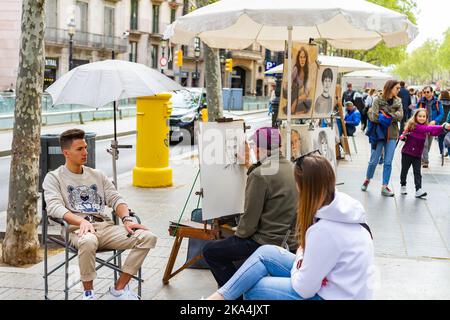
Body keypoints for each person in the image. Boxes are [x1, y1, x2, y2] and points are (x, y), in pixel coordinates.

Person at [206, 154, 374, 300]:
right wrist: (301, 260)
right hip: (347, 288)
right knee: (266, 252)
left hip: (334, 295)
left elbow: (305, 289)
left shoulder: (324, 231)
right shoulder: (342, 206)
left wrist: (298, 265)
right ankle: (220, 297)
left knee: (253, 289)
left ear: (303, 187)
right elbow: (308, 254)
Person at [42, 129, 157, 300]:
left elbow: (116, 198)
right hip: (76, 230)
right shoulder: (54, 177)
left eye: (86, 148)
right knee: (88, 241)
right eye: (79, 149)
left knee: (148, 236)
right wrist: (80, 222)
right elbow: (53, 207)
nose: (85, 152)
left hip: (105, 227)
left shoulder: (98, 175)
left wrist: (126, 219)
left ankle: (118, 290)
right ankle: (89, 294)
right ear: (66, 153)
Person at [202, 127, 298, 290]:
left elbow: (249, 225)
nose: (253, 149)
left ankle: (235, 294)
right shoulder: (293, 167)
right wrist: (249, 164)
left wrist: (237, 233)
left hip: (267, 241)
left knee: (211, 251)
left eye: (254, 146)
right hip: (292, 239)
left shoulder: (259, 175)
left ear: (259, 148)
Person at [362, 80, 403, 197]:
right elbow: (373, 117)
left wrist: (384, 115)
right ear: (390, 88)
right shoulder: (377, 100)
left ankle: (385, 186)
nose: (398, 90)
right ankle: (367, 179)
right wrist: (390, 115)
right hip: (379, 134)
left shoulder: (398, 101)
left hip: (393, 134)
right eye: (397, 88)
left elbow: (401, 116)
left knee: (388, 161)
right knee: (374, 160)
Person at [399, 109, 450, 198]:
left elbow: (433, 132)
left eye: (424, 116)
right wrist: (443, 126)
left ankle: (418, 190)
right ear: (415, 117)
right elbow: (428, 128)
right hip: (407, 153)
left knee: (417, 172)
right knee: (404, 170)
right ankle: (403, 185)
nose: (422, 118)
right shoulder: (414, 126)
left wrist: (444, 129)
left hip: (418, 155)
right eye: (420, 116)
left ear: (426, 118)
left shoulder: (425, 128)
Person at [416, 86, 444, 168]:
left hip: (432, 126)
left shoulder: (437, 102)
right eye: (424, 92)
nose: (426, 94)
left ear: (432, 92)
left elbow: (441, 114)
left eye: (428, 92)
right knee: (424, 143)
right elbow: (416, 112)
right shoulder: (421, 102)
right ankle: (425, 161)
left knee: (429, 144)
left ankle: (423, 157)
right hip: (422, 125)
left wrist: (435, 121)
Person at [282, 47, 311, 115]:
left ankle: (294, 110)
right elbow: (289, 82)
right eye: (300, 57)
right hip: (290, 92)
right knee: (292, 111)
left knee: (308, 104)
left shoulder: (306, 71)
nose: (302, 60)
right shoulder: (296, 69)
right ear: (298, 58)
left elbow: (306, 90)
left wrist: (300, 98)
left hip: (296, 95)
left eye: (304, 57)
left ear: (306, 59)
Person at [438, 90, 450, 157]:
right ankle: (447, 149)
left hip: (440, 122)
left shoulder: (439, 103)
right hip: (448, 122)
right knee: (448, 137)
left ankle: (441, 152)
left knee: (440, 138)